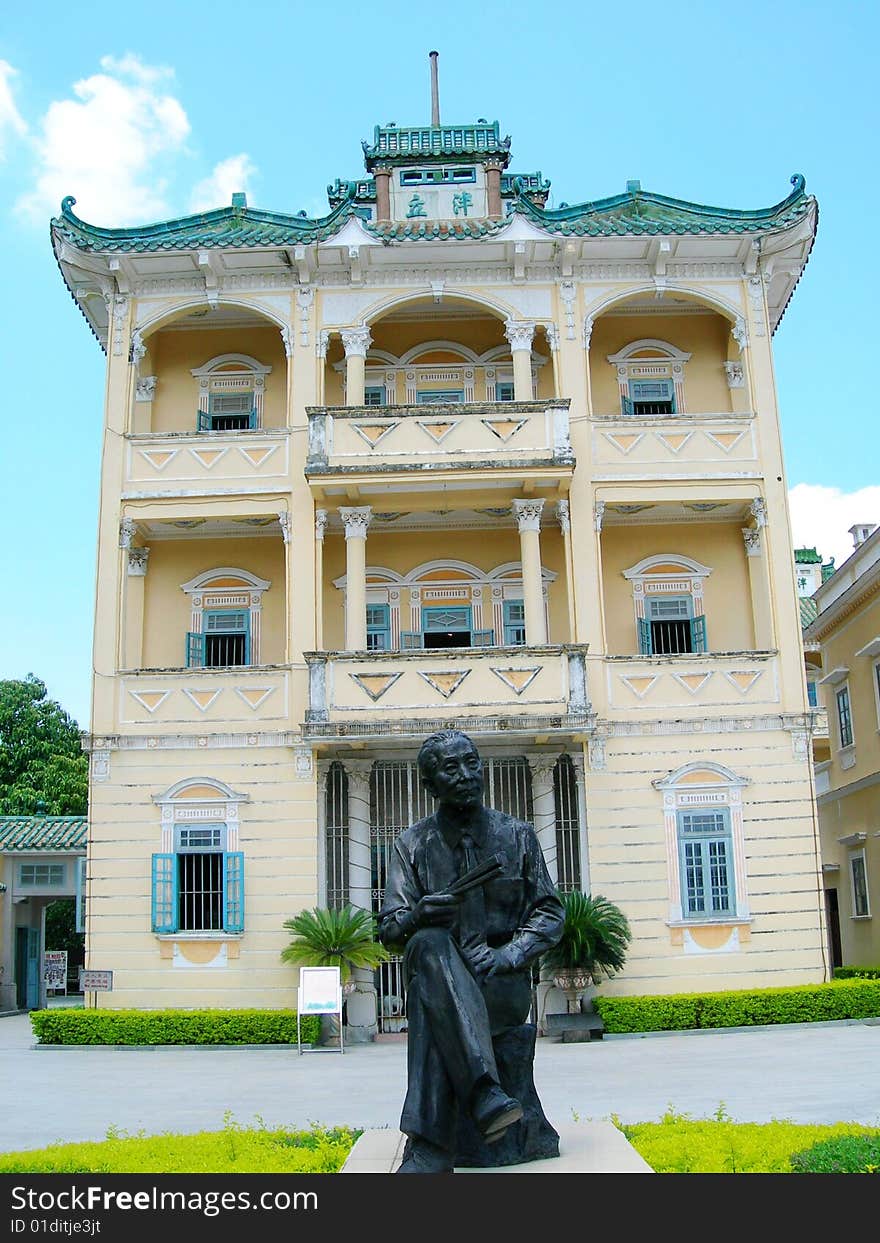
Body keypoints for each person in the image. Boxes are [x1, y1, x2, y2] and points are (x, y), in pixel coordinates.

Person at [378, 729, 564, 1173]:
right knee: (429, 944)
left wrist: (508, 955)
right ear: (429, 784)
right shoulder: (412, 846)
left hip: (500, 986)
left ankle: (429, 1148)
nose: (465, 775)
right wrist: (419, 914)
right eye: (450, 768)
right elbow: (388, 929)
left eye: (471, 763)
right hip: (442, 981)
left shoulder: (516, 836)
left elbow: (551, 913)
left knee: (431, 1000)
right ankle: (484, 1094)